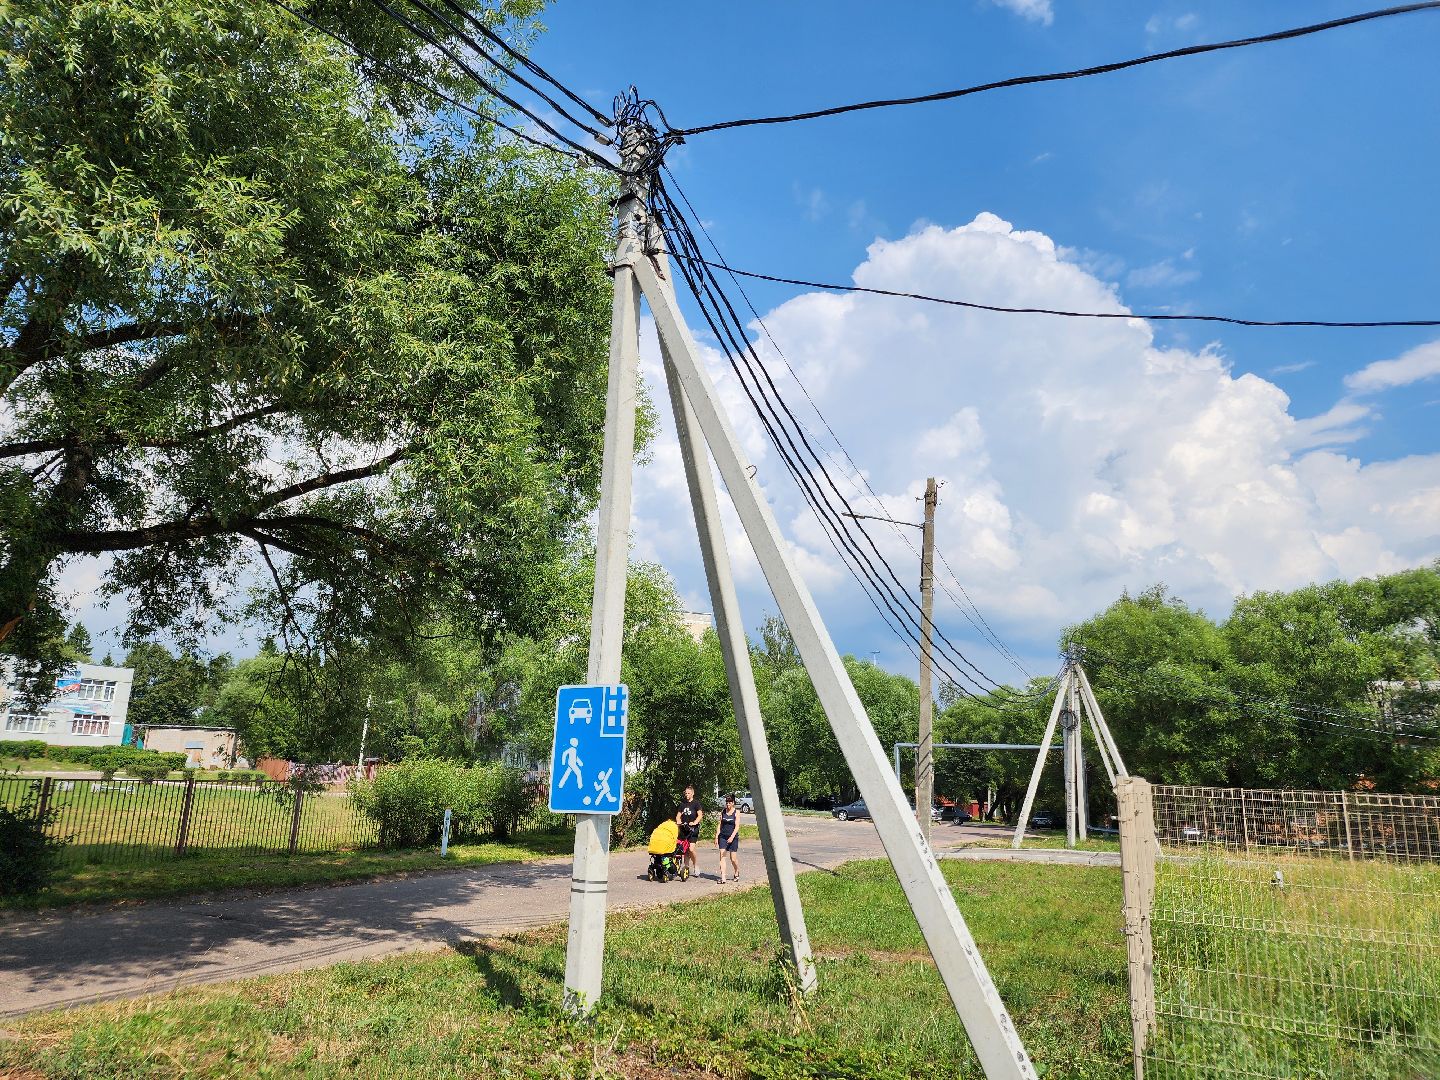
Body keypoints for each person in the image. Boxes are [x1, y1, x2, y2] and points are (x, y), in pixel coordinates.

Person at [675, 784, 703, 880]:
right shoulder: (682, 804)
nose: (687, 795)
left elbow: (700, 815)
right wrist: (678, 821)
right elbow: (678, 815)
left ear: (692, 793)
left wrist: (695, 822)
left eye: (689, 793)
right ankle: (686, 868)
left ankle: (696, 865)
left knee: (691, 849)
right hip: (684, 828)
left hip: (693, 829)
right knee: (685, 850)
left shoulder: (696, 803)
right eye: (686, 793)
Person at [716, 793, 740, 883]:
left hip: (733, 837)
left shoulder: (736, 812)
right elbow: (720, 824)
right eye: (727, 802)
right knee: (722, 855)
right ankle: (723, 878)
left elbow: (737, 826)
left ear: (733, 803)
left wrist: (732, 837)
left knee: (733, 859)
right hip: (723, 836)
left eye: (730, 802)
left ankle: (736, 871)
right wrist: (716, 836)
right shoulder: (723, 811)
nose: (728, 804)